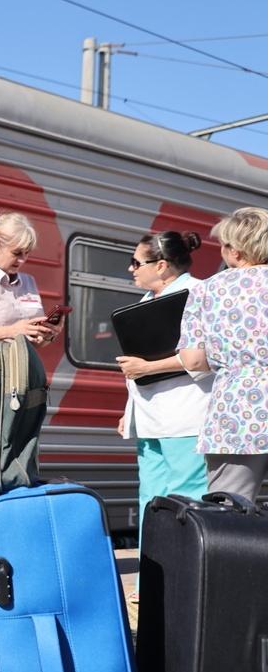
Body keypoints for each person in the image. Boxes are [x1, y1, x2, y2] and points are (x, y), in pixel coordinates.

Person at [116, 232, 212, 602]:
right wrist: (130, 412)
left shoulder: (199, 293)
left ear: (161, 265)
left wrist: (147, 365)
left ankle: (186, 586)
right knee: (151, 501)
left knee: (187, 500)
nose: (131, 269)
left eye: (136, 262)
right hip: (152, 416)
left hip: (187, 415)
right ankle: (151, 584)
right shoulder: (146, 299)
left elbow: (203, 356)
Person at [178, 207, 268, 501]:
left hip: (235, 411)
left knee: (230, 514)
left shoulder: (207, 290)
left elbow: (192, 360)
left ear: (237, 252)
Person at [0, 212, 60, 346]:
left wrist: (47, 335)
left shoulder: (29, 282)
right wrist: (11, 331)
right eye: (16, 253)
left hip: (22, 364)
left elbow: (36, 342)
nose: (22, 260)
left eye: (26, 253)